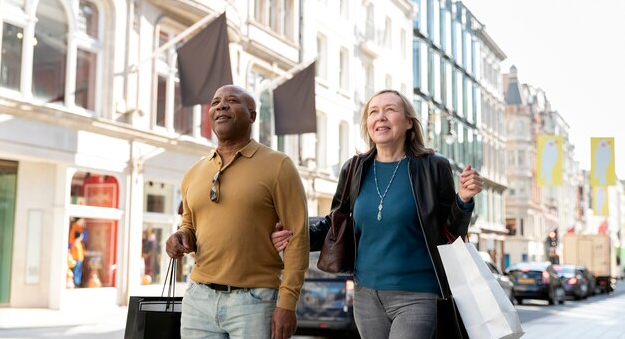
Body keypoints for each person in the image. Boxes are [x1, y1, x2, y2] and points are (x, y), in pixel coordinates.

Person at [272, 89, 483, 339]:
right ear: (368, 124)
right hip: (366, 295)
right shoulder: (354, 168)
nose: (380, 116)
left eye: (390, 110)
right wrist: (294, 236)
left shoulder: (433, 166)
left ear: (408, 123)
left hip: (418, 294)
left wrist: (464, 200)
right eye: (373, 111)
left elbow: (450, 232)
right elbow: (335, 224)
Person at [165, 84, 309, 339]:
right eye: (215, 102)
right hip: (198, 300)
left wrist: (287, 303)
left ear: (252, 115)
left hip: (255, 301)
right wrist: (180, 237)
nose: (221, 105)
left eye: (232, 100)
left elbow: (298, 237)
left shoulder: (279, 166)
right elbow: (189, 225)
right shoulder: (194, 172)